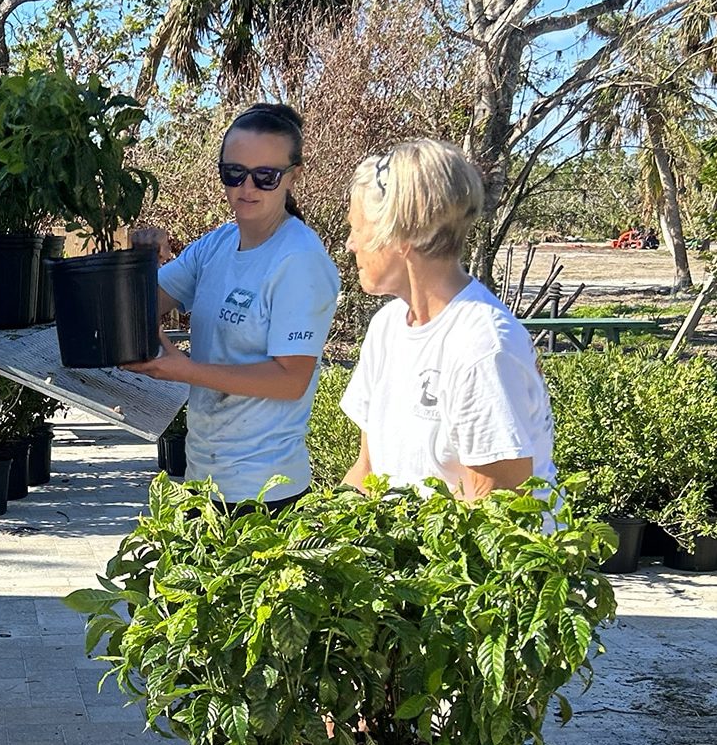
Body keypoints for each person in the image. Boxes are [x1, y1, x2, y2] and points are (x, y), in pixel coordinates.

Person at [124, 103, 341, 510]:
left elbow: (290, 380)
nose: (247, 187)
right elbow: (140, 309)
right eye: (234, 173)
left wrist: (186, 371)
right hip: (203, 480)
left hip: (266, 493)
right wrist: (139, 262)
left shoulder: (299, 261)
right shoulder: (218, 244)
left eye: (266, 177)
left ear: (294, 176)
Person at [340, 139, 554, 499]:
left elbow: (497, 513)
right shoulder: (387, 326)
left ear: (400, 235)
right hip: (408, 551)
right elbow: (367, 470)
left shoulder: (481, 345)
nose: (350, 244)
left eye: (357, 229)